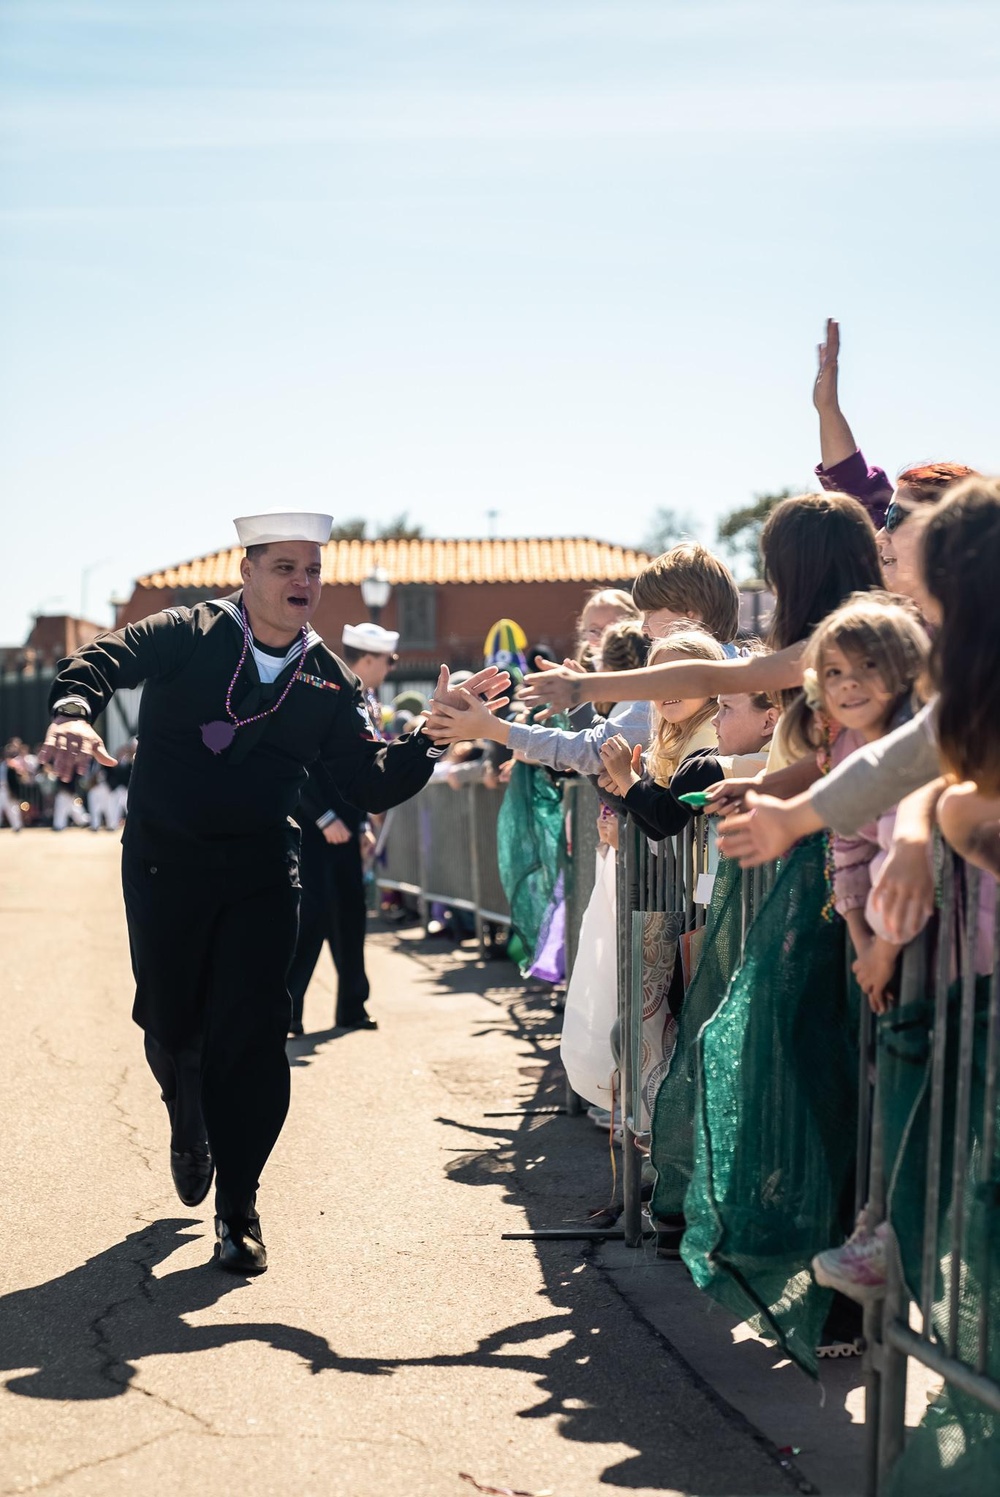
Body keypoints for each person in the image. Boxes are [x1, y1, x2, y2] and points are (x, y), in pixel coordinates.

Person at [39, 510, 509, 1275]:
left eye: (313, 570)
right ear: (248, 571)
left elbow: (366, 778)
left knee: (255, 1038)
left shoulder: (327, 677)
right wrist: (70, 714)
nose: (303, 582)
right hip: (165, 865)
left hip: (262, 872)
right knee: (168, 1022)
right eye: (285, 566)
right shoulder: (189, 631)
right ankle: (184, 1107)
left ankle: (239, 1206)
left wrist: (430, 738)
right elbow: (101, 658)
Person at [286, 621, 401, 1039]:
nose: (390, 668)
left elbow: (357, 767)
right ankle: (288, 1010)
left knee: (351, 918)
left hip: (345, 829)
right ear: (367, 659)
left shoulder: (364, 698)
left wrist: (359, 823)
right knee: (309, 921)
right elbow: (303, 764)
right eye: (387, 660)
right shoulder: (326, 690)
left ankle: (352, 1005)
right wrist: (322, 817)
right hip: (314, 829)